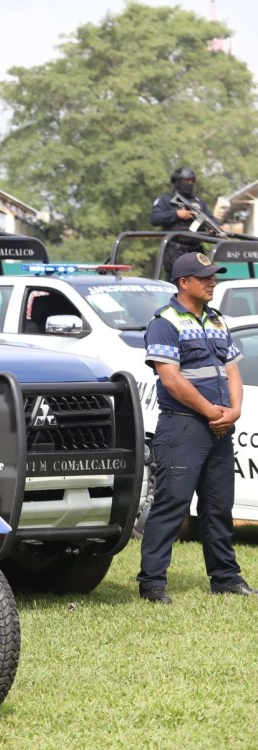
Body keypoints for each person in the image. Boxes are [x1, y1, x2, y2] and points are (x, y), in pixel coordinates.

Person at [139, 251, 256, 604]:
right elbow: (171, 380)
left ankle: (225, 578)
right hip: (183, 427)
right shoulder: (165, 322)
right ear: (183, 282)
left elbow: (232, 370)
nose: (212, 282)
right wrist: (211, 412)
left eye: (213, 277)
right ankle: (153, 584)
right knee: (172, 505)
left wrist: (233, 411)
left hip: (219, 427)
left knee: (219, 507)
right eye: (204, 278)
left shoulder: (217, 320)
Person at [150, 167, 221, 281]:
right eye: (187, 180)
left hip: (196, 250)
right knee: (177, 283)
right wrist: (176, 214)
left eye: (192, 181)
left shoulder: (198, 201)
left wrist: (216, 226)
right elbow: (155, 218)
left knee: (200, 281)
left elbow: (210, 217)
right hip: (176, 250)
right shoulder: (166, 199)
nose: (190, 183)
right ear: (177, 182)